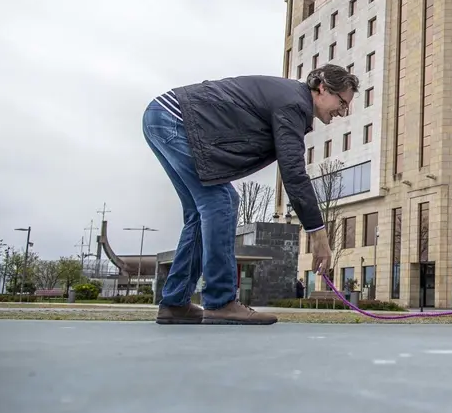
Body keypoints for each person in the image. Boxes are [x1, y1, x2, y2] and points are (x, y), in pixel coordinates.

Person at [143, 64, 358, 325]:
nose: (343, 112)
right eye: (342, 102)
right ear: (323, 89)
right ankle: (220, 302)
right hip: (174, 118)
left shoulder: (291, 100)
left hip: (164, 117)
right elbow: (293, 171)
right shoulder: (294, 103)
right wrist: (318, 232)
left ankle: (175, 303)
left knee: (202, 213)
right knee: (221, 202)